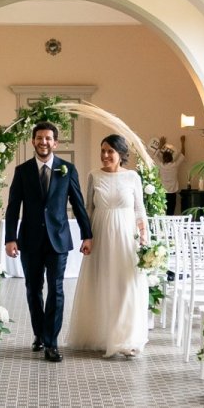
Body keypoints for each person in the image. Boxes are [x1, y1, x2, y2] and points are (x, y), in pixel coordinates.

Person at [5, 121, 93, 363]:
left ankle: (51, 342)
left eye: (48, 139)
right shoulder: (22, 171)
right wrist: (10, 238)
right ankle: (39, 334)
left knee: (56, 290)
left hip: (58, 241)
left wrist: (87, 234)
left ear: (55, 143)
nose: (43, 142)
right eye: (39, 138)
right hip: (30, 241)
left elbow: (78, 203)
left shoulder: (67, 169)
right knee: (33, 290)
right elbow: (13, 207)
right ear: (33, 141)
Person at [68, 134, 150, 358]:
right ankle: (103, 335)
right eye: (102, 151)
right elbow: (88, 209)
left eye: (110, 151)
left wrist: (144, 236)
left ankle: (127, 338)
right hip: (101, 234)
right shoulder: (93, 175)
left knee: (126, 285)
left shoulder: (133, 177)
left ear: (121, 155)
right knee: (102, 283)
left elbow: (139, 209)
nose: (105, 155)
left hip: (127, 237)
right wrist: (87, 237)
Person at [153, 135, 186, 215]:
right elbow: (183, 154)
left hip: (162, 193)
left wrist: (160, 145)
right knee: (170, 213)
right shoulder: (175, 165)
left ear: (163, 158)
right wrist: (182, 142)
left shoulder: (160, 165)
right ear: (172, 158)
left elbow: (154, 156)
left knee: (162, 213)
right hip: (172, 193)